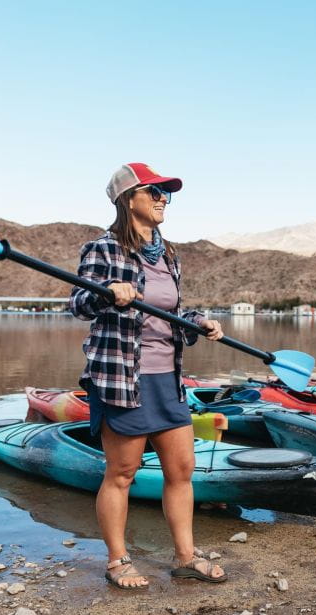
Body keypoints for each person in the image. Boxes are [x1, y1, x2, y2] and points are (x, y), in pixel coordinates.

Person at [69, 162, 227, 589]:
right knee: (121, 473)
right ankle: (118, 561)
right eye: (153, 191)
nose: (162, 199)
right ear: (127, 199)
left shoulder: (168, 253)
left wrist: (199, 322)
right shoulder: (103, 248)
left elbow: (170, 314)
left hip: (167, 379)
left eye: (166, 193)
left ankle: (185, 557)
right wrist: (109, 297)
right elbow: (79, 302)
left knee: (181, 470)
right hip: (123, 378)